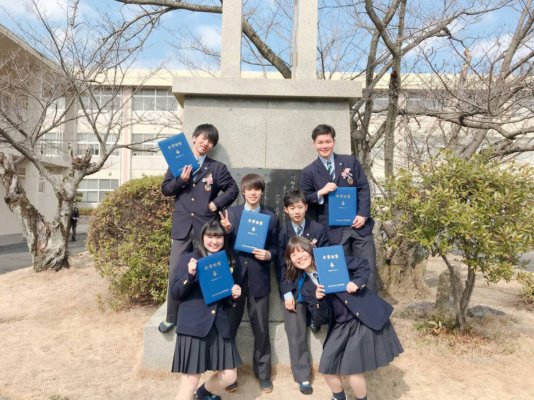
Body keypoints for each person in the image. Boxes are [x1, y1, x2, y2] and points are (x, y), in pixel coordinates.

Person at [284, 236, 403, 400]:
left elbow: (363, 264)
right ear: (290, 260)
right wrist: (319, 300)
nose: (299, 257)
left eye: (302, 251)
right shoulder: (305, 288)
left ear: (310, 251)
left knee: (351, 369)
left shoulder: (332, 259)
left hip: (361, 317)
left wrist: (357, 282)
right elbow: (321, 319)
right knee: (327, 367)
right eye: (293, 255)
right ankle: (339, 397)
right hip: (340, 325)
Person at [160, 124, 239, 334]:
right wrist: (181, 180)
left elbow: (233, 188)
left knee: (208, 271)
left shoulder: (217, 168)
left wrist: (217, 203)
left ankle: (209, 315)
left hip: (206, 230)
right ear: (194, 138)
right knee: (176, 271)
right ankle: (171, 317)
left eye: (210, 142)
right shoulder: (177, 163)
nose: (206, 143)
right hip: (182, 229)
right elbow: (166, 189)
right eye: (203, 138)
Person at [300, 124, 379, 294]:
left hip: (359, 227)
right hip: (333, 231)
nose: (324, 146)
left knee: (369, 271)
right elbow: (304, 198)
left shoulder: (350, 161)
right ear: (314, 144)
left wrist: (363, 215)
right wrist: (321, 192)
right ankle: (346, 316)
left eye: (328, 141)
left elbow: (363, 188)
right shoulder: (309, 171)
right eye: (320, 142)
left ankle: (371, 315)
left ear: (334, 142)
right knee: (339, 273)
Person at [170, 220, 243, 400]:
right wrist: (190, 274)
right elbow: (176, 293)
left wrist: (233, 296)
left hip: (218, 325)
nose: (214, 241)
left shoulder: (228, 261)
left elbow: (224, 300)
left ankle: (202, 394)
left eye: (218, 236)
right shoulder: (190, 258)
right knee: (189, 384)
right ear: (202, 238)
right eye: (209, 236)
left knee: (229, 376)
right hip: (194, 325)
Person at [220, 173, 279, 394]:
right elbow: (217, 244)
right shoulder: (230, 214)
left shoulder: (271, 217)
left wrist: (268, 254)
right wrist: (225, 232)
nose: (253, 193)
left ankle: (263, 374)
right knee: (229, 326)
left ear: (262, 192)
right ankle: (229, 373)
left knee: (261, 328)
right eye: (249, 189)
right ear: (243, 191)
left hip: (259, 279)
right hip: (234, 280)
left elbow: (276, 247)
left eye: (257, 189)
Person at [276, 189, 329, 395]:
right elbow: (281, 266)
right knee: (295, 331)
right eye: (292, 208)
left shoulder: (318, 229)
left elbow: (324, 257)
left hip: (315, 284)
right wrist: (287, 293)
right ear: (286, 210)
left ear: (306, 207)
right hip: (295, 287)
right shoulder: (283, 232)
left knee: (324, 313)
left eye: (300, 207)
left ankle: (316, 320)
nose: (297, 211)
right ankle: (303, 377)